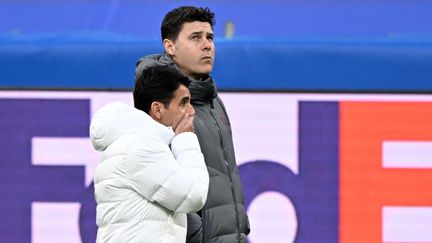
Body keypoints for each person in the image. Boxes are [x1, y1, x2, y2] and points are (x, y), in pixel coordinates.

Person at [135, 6, 250, 243]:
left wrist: (240, 229)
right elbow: (161, 181)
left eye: (209, 37)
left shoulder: (213, 100)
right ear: (170, 46)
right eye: (195, 37)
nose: (207, 45)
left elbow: (225, 175)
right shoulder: (161, 103)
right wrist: (197, 236)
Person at [90, 65, 209, 243]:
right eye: (183, 102)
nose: (191, 111)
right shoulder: (142, 146)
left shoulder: (135, 143)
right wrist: (186, 139)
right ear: (157, 109)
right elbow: (193, 194)